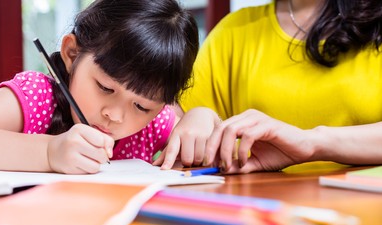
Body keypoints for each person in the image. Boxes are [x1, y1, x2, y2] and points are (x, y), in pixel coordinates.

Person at [154, 0, 382, 174]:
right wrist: (197, 116)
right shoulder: (234, 31)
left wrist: (311, 143)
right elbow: (160, 131)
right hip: (257, 212)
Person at [0, 0, 201, 174]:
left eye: (141, 106)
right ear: (72, 53)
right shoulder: (36, 96)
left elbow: (195, 142)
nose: (115, 115)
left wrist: (201, 118)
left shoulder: (153, 125)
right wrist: (48, 153)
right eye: (106, 88)